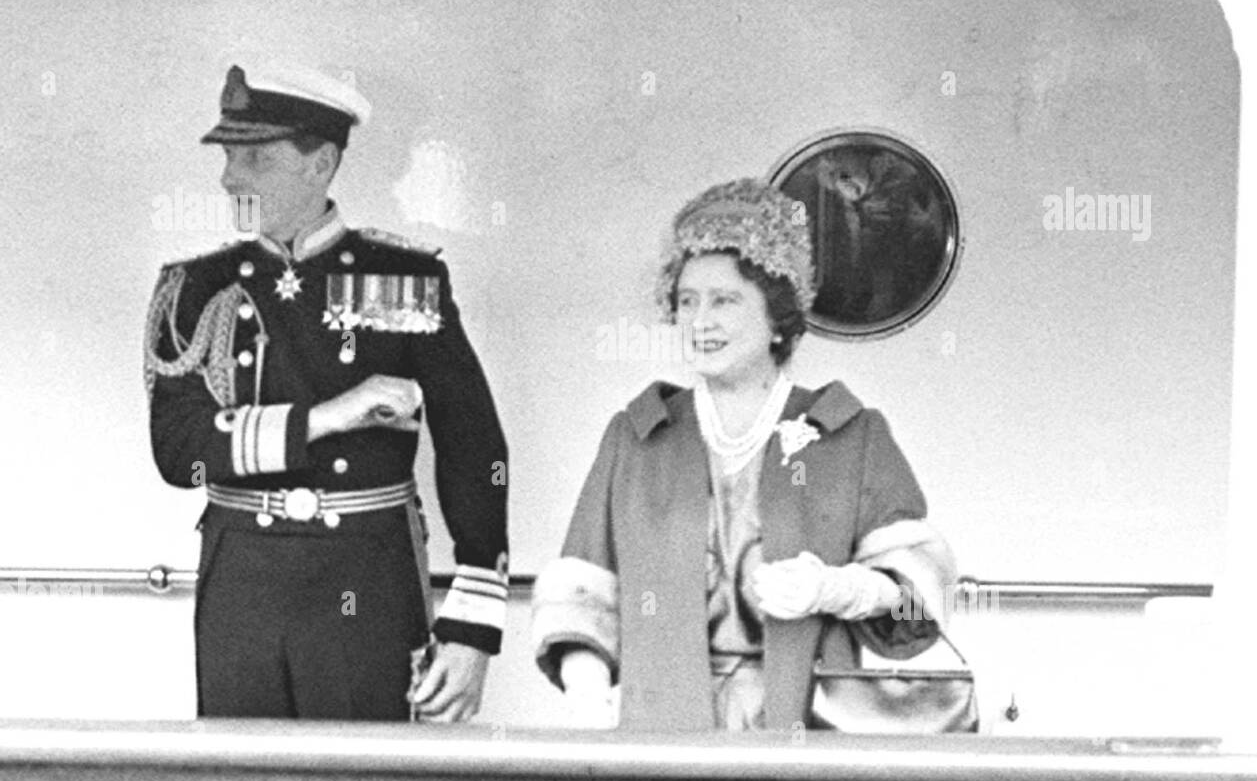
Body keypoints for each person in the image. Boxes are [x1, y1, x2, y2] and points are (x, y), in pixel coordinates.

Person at [145, 64, 508, 721]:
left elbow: (473, 445)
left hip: (365, 574)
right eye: (229, 155)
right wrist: (325, 417)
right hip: (241, 575)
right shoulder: (197, 287)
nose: (230, 176)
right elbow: (178, 452)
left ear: (322, 163)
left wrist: (474, 627)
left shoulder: (398, 280)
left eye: (254, 156)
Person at [531, 178, 955, 731]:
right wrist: (587, 696)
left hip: (807, 743)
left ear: (778, 318)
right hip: (661, 740)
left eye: (724, 300)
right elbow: (582, 594)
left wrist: (846, 589)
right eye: (687, 302)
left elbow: (916, 609)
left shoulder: (850, 437)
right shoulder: (636, 437)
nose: (700, 321)